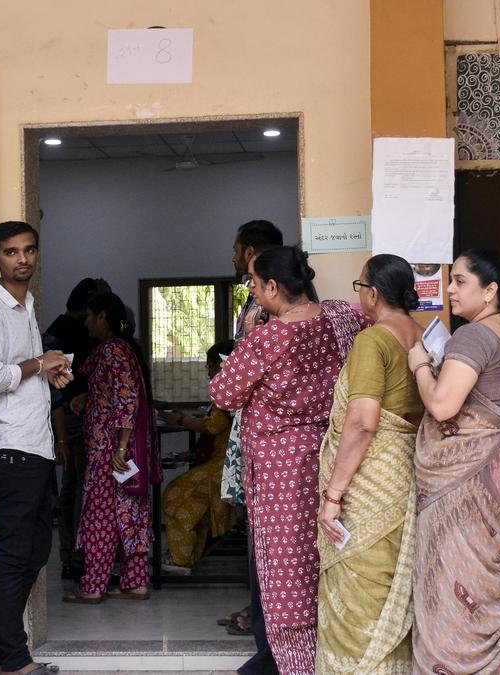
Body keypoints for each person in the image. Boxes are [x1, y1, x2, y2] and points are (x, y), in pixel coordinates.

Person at [210, 246, 368, 674]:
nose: (254, 293)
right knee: (325, 562)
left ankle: (295, 664)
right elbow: (378, 319)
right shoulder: (341, 317)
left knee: (287, 575)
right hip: (333, 457)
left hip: (282, 468)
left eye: (255, 285)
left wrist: (247, 331)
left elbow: (223, 393)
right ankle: (334, 656)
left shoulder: (267, 337)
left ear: (274, 286)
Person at [406, 249, 500, 675]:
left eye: (461, 281)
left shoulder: (472, 336)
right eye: (450, 280)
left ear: (490, 291)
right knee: (490, 589)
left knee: (455, 594)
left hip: (467, 483)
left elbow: (443, 404)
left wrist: (419, 366)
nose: (450, 288)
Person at [0, 221, 71, 675]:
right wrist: (39, 362)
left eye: (29, 250)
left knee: (32, 553)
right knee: (16, 552)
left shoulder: (26, 305)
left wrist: (48, 371)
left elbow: (19, 372)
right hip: (11, 447)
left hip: (36, 444)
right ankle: (14, 657)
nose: (22, 259)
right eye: (11, 252)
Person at [315, 254, 423, 674]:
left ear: (374, 293)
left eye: (360, 287)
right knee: (391, 588)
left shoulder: (373, 340)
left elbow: (361, 422)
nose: (358, 294)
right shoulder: (421, 335)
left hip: (368, 481)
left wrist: (333, 494)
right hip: (402, 478)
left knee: (359, 595)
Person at [62, 291, 160, 603]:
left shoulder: (112, 351)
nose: (87, 323)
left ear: (102, 316)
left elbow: (126, 399)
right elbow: (108, 390)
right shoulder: (124, 350)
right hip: (123, 450)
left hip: (111, 452)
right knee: (129, 514)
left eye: (90, 316)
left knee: (99, 516)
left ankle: (92, 586)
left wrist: (119, 448)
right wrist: (86, 398)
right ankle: (135, 581)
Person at [221, 219, 283, 656]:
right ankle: (265, 625)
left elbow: (230, 387)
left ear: (250, 253)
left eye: (236, 248)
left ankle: (269, 640)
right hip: (270, 437)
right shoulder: (273, 305)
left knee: (267, 541)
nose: (232, 256)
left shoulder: (266, 311)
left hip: (266, 439)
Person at [47, 277, 111, 581]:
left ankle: (75, 555)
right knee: (79, 485)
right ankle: (79, 554)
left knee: (73, 485)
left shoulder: (54, 330)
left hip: (68, 419)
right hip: (74, 420)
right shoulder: (74, 334)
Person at [159, 340, 238, 573]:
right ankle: (186, 553)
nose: (209, 371)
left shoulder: (228, 390)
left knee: (176, 496)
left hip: (223, 467)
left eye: (210, 365)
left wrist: (181, 420)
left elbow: (212, 426)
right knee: (193, 503)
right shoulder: (230, 389)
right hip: (221, 463)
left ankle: (181, 558)